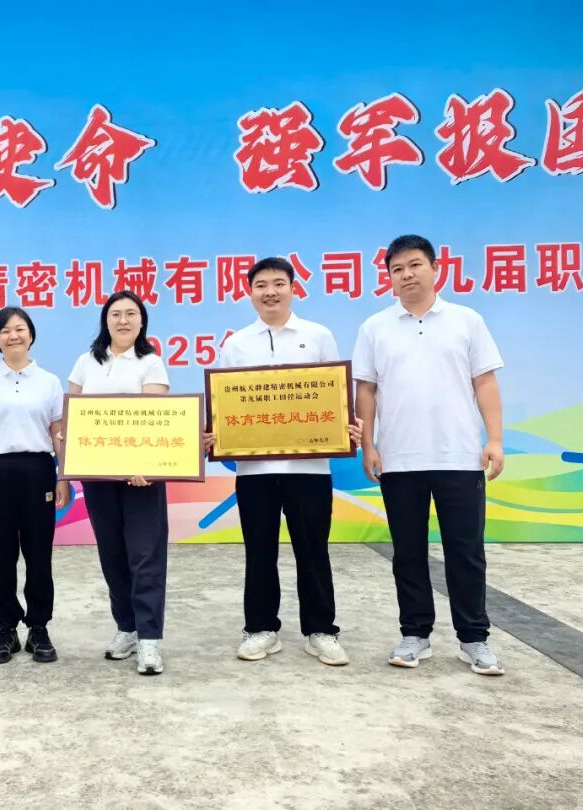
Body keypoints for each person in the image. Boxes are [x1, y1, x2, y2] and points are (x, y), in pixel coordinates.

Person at [353, 234, 506, 676]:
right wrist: (369, 445)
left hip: (460, 455)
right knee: (408, 552)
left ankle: (474, 638)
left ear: (436, 268)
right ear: (389, 277)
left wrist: (494, 440)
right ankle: (415, 634)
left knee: (466, 551)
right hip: (399, 458)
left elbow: (485, 383)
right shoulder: (375, 327)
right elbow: (367, 390)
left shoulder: (466, 320)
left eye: (415, 265)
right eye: (397, 269)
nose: (407, 275)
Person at [216, 257, 362, 667]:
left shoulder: (318, 336)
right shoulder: (236, 344)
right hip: (255, 471)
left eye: (278, 283)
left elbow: (335, 396)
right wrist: (217, 435)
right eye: (261, 285)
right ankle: (261, 628)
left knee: (313, 550)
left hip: (309, 469)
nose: (270, 292)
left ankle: (321, 631)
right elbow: (225, 405)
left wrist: (345, 426)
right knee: (259, 551)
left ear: (293, 288)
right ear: (249, 293)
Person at [68, 290, 170, 675]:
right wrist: (68, 442)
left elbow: (155, 419)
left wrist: (145, 463)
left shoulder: (151, 362)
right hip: (98, 475)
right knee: (111, 552)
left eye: (131, 314)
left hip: (141, 477)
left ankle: (149, 639)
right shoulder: (86, 362)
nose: (123, 320)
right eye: (116, 314)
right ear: (105, 321)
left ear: (142, 322)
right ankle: (126, 627)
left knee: (145, 555)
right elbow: (73, 414)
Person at [0, 307, 70, 664]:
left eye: (20, 329)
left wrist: (63, 476)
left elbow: (57, 433)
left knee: (39, 553)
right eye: (5, 330)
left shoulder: (49, 381)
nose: (13, 336)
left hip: (38, 469)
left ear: (31, 335)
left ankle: (38, 627)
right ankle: (6, 627)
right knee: (2, 554)